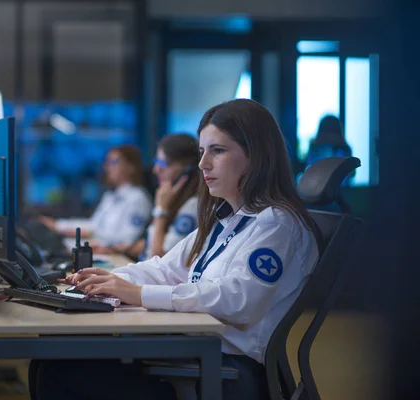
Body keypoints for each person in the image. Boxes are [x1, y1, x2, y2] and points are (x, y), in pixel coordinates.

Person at [30, 99, 321, 400]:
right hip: (193, 355)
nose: (202, 164)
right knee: (49, 361)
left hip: (223, 372)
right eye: (201, 152)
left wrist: (138, 294)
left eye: (217, 151)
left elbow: (238, 299)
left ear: (255, 156)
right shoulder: (228, 218)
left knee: (57, 372)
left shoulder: (277, 225)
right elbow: (165, 267)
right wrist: (108, 278)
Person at [91, 133, 200, 261]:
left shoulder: (191, 206)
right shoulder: (174, 201)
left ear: (188, 169)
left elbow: (159, 258)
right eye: (156, 162)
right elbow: (148, 244)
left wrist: (161, 211)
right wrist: (115, 248)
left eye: (164, 164)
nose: (156, 170)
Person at [39, 144, 152, 247]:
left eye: (113, 162)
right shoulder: (111, 196)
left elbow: (128, 239)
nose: (107, 167)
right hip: (98, 249)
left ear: (131, 167)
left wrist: (91, 234)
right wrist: (57, 225)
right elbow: (93, 225)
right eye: (107, 162)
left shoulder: (138, 198)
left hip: (115, 256)